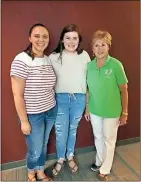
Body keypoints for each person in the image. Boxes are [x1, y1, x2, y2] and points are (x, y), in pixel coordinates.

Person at [10, 23, 57, 181]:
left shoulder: (48, 60)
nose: (41, 40)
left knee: (43, 145)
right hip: (32, 115)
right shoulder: (21, 60)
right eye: (37, 36)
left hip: (50, 110)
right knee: (35, 150)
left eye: (45, 36)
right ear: (30, 38)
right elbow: (17, 94)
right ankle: (31, 174)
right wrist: (24, 121)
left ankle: (41, 172)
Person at [85, 30, 128, 181]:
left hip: (112, 111)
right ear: (92, 48)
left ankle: (105, 169)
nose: (100, 48)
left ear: (108, 46)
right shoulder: (89, 66)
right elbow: (88, 90)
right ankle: (99, 161)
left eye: (103, 45)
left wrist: (124, 113)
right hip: (95, 110)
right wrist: (87, 108)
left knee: (109, 140)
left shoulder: (116, 65)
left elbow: (124, 90)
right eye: (96, 45)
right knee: (98, 137)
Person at [49, 24, 91, 177]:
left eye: (75, 38)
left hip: (79, 99)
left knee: (72, 129)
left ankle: (70, 156)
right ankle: (60, 158)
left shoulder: (84, 55)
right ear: (62, 39)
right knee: (60, 131)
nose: (71, 41)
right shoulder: (53, 57)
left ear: (79, 40)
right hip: (60, 99)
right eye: (68, 38)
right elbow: (47, 81)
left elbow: (88, 82)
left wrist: (87, 105)